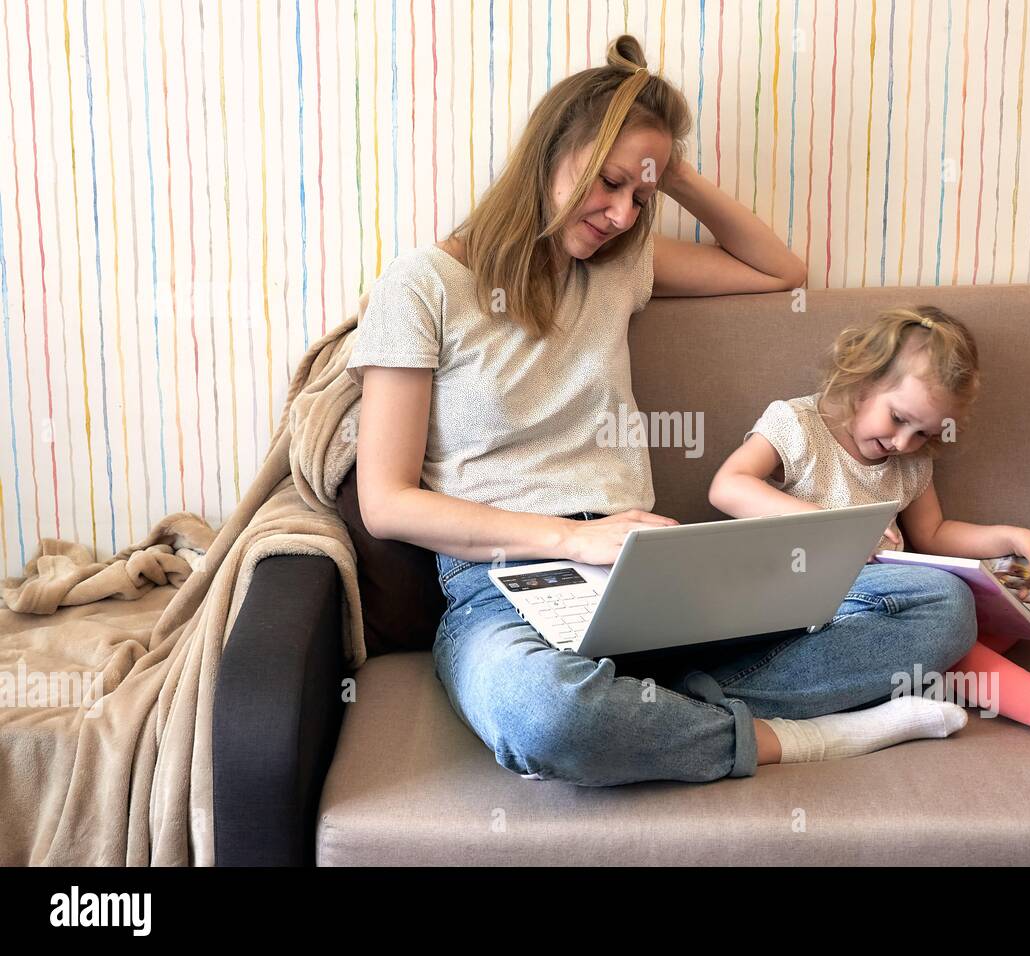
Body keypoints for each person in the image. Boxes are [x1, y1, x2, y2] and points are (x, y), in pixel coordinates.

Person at [345, 35, 977, 786]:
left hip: (653, 577)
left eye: (639, 196)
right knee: (545, 714)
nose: (619, 215)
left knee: (939, 605)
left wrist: (667, 169)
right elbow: (385, 502)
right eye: (611, 181)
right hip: (502, 588)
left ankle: (665, 713)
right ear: (551, 147)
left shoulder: (621, 266)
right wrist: (573, 542)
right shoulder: (422, 285)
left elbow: (779, 269)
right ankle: (796, 738)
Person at [710, 306, 1030, 754]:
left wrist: (1009, 539)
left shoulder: (909, 463)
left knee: (1023, 604)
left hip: (888, 603)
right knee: (949, 609)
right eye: (898, 419)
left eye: (924, 434)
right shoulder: (798, 424)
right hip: (818, 599)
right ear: (861, 378)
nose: (904, 443)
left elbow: (934, 533)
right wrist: (835, 528)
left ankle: (909, 687)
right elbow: (728, 487)